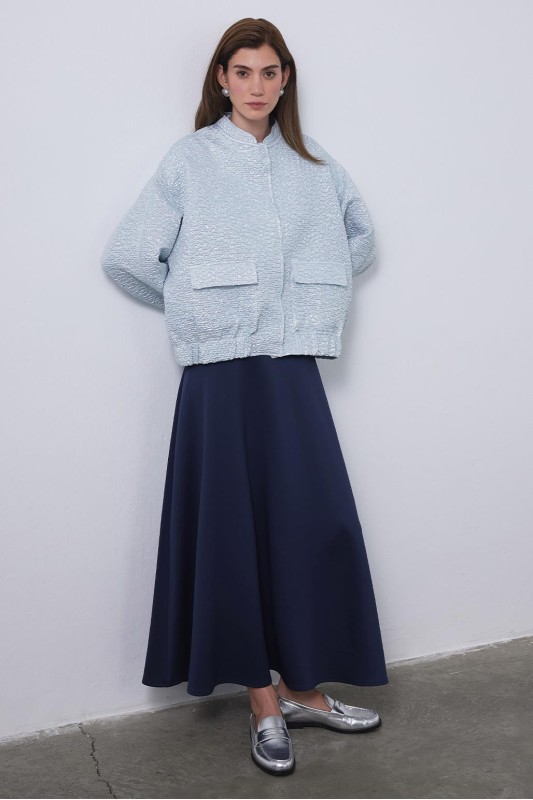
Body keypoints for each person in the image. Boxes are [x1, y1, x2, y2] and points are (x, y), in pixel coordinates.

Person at [101, 17, 389, 776]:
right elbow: (128, 256)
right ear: (221, 80)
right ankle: (262, 702)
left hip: (290, 363)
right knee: (229, 530)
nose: (256, 86)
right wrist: (202, 308)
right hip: (219, 372)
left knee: (309, 521)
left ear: (285, 80)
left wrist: (304, 296)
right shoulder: (192, 159)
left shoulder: (313, 164)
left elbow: (360, 238)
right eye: (242, 72)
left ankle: (303, 689)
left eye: (268, 72)